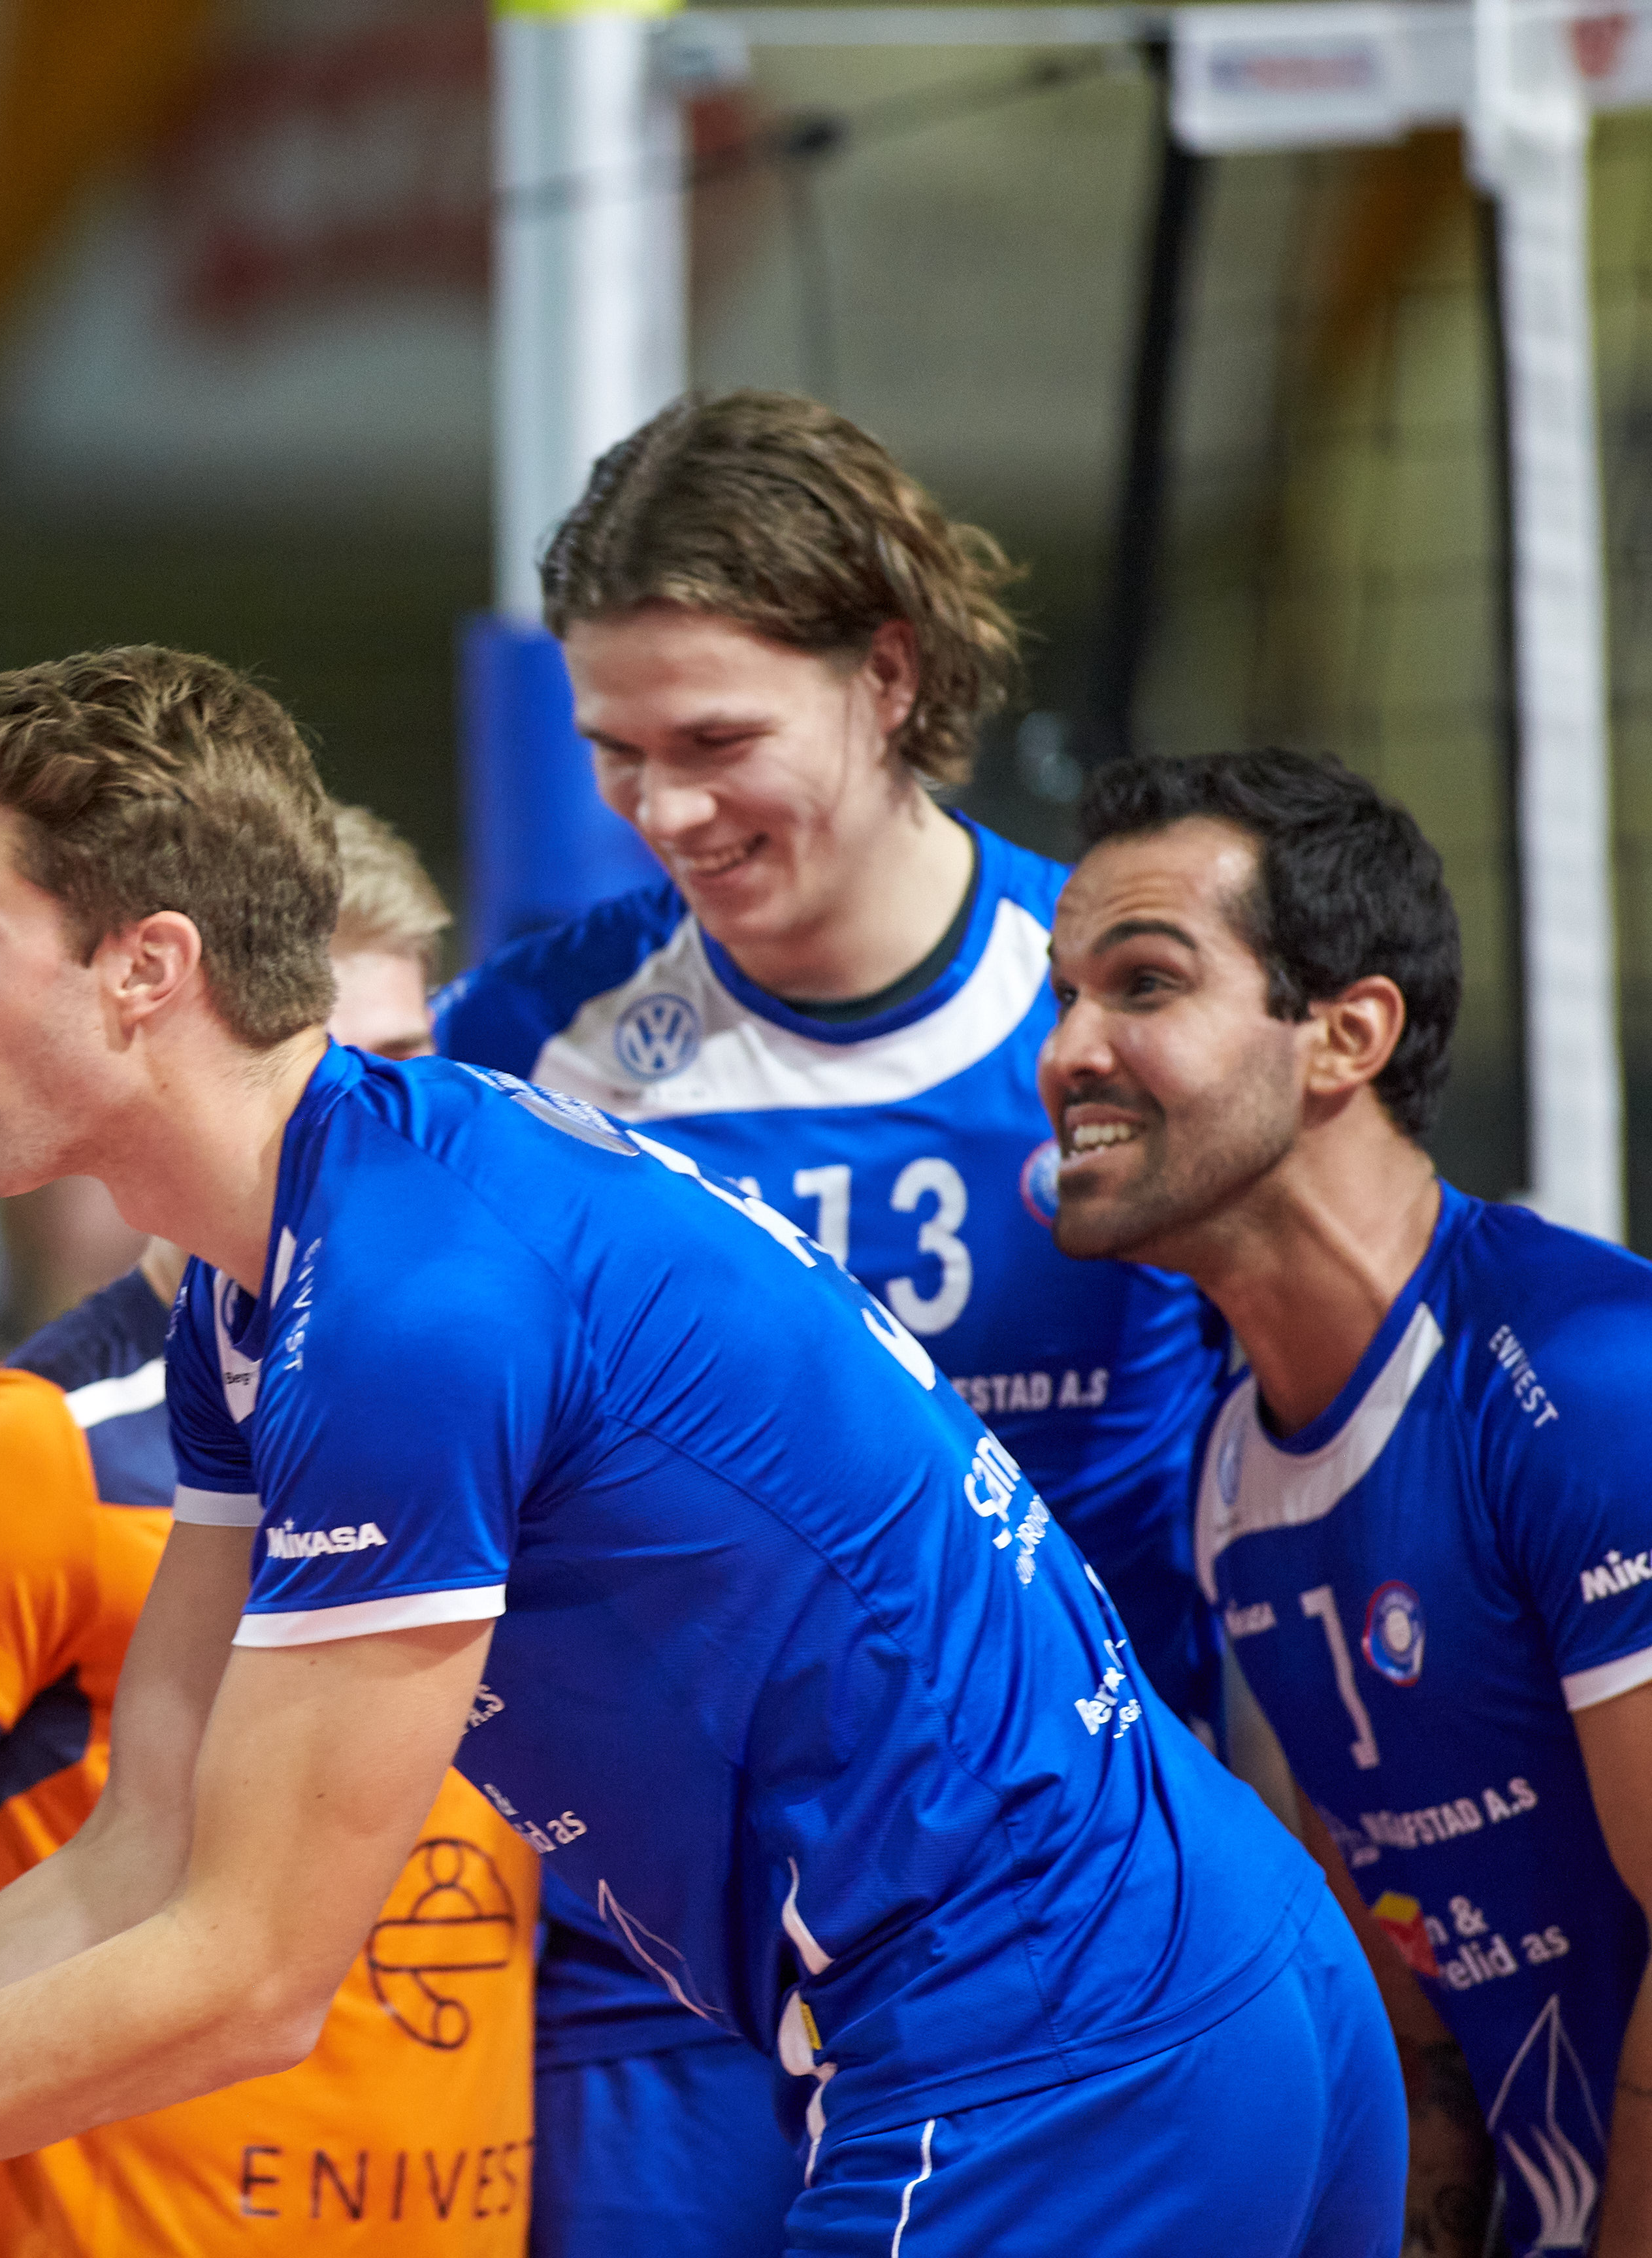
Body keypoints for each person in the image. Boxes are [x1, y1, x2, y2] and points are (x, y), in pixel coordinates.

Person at [0, 645, 1401, 2258]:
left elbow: (256, 1974)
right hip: (1170, 1974)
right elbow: (145, 1842)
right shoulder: (268, 1276)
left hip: (1056, 2035)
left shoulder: (402, 1291)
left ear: (146, 971)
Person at [428, 391, 1228, 2257]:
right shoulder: (529, 1050)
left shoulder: (1126, 1016)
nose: (665, 812)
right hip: (667, 1982)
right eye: (615, 754)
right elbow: (306, 1332)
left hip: (1074, 1938)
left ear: (887, 674)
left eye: (717, 741)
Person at [0, 804, 536, 2253]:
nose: (373, 1120)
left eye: (409, 1062)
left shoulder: (502, 1395)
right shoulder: (28, 1448)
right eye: (335, 1067)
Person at [1042, 747, 1652, 2258]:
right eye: (1062, 997)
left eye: (1142, 984)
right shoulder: (1233, 1475)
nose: (1066, 1053)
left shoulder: (1588, 1380)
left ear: (1346, 1035)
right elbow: (1415, 1996)